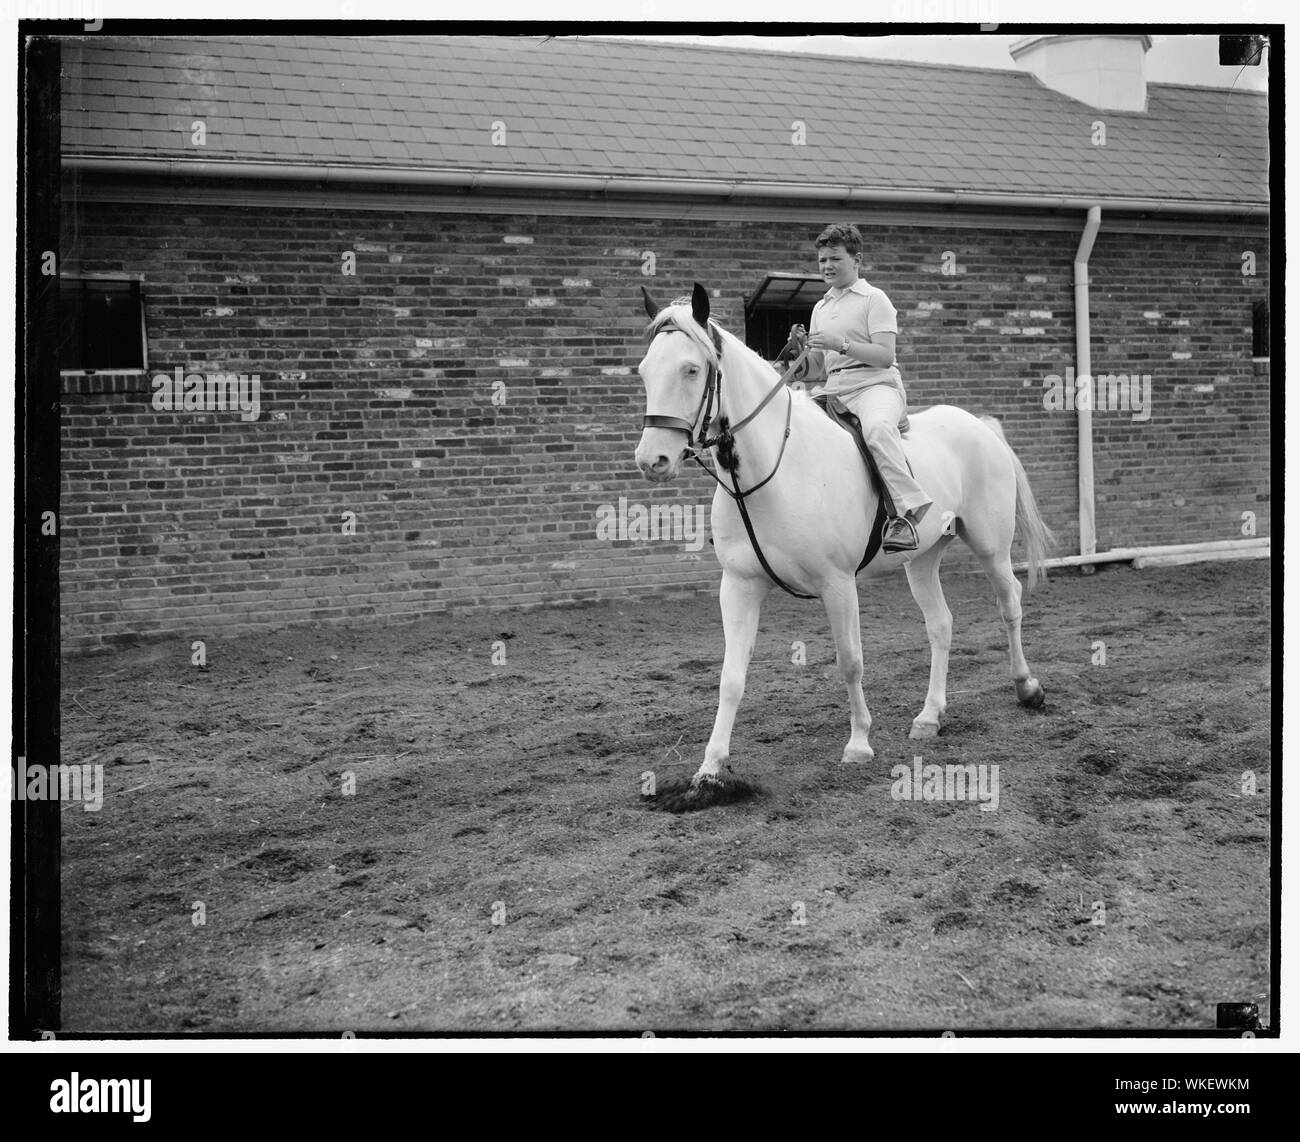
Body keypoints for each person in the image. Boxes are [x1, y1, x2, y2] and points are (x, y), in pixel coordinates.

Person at [791, 223, 932, 553]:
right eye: (822, 259)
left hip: (875, 387)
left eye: (835, 259)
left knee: (878, 429)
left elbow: (884, 356)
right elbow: (818, 368)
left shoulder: (875, 299)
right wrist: (799, 355)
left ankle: (907, 514)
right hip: (834, 389)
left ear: (857, 260)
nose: (827, 266)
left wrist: (839, 343)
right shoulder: (821, 307)